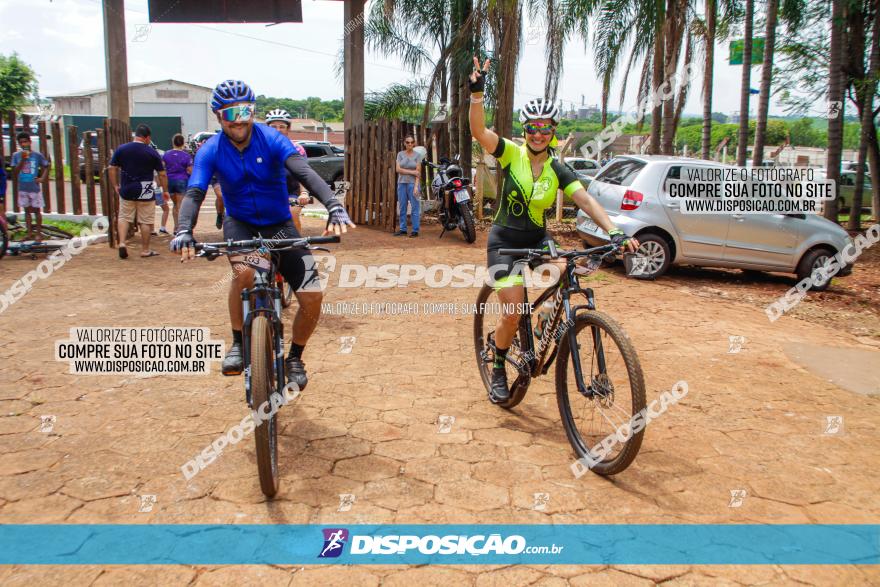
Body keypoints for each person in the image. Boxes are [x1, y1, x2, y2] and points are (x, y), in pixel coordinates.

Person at [468, 56, 639, 403]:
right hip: (504, 244)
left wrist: (615, 232)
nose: (539, 133)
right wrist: (476, 94)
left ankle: (547, 324)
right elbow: (479, 132)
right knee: (513, 314)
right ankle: (500, 366)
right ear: (524, 130)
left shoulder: (558, 169)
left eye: (546, 128)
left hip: (537, 240)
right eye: (533, 127)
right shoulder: (510, 154)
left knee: (566, 272)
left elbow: (586, 201)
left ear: (554, 132)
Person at [170, 79, 355, 390]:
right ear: (218, 117)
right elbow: (195, 191)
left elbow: (305, 173)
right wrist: (184, 229)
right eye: (231, 114)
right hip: (240, 222)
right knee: (243, 273)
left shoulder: (271, 139)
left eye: (246, 111)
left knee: (312, 295)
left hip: (280, 223)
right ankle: (240, 344)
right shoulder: (210, 150)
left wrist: (334, 205)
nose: (240, 119)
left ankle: (294, 356)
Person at [108, 124, 168, 258]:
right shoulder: (152, 152)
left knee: (124, 217)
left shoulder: (122, 149)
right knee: (145, 220)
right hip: (146, 186)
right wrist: (164, 190)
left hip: (127, 185)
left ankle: (122, 243)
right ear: (147, 138)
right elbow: (162, 173)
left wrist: (115, 185)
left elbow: (112, 168)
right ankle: (145, 250)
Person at [265, 109, 311, 233]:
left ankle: (297, 246)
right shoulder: (259, 148)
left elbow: (303, 174)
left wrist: (304, 193)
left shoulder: (297, 149)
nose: (278, 130)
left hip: (292, 191)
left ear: (288, 128)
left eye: (282, 126)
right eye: (273, 127)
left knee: (292, 215)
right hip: (268, 191)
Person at [11, 132, 50, 242]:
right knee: (27, 211)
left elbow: (46, 166)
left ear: (30, 142)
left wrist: (42, 178)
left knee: (37, 211)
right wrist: (23, 160)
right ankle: (29, 233)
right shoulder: (16, 156)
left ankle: (38, 234)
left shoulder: (37, 155)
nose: (24, 144)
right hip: (23, 188)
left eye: (25, 141)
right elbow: (15, 172)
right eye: (21, 142)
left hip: (34, 188)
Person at [162, 133, 193, 232]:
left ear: (173, 142)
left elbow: (162, 167)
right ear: (183, 143)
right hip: (182, 180)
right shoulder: (186, 156)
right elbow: (190, 170)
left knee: (175, 204)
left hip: (169, 180)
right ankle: (179, 228)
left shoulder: (166, 154)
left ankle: (176, 227)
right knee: (180, 205)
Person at [394, 135, 422, 237]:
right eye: (407, 142)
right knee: (402, 207)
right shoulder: (400, 154)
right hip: (401, 184)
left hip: (412, 184)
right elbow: (398, 170)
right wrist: (412, 172)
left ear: (414, 143)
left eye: (411, 142)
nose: (409, 144)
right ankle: (403, 229)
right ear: (404, 143)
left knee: (415, 207)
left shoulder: (417, 155)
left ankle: (415, 230)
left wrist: (416, 187)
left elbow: (418, 173)